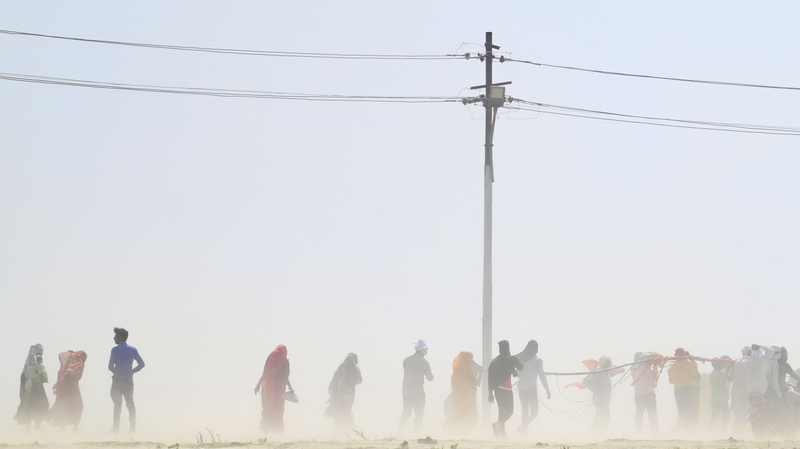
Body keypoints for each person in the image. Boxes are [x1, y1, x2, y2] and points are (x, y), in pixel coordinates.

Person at [108, 327, 145, 433]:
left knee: (117, 405)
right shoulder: (133, 349)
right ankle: (132, 429)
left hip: (117, 380)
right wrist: (131, 371)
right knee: (130, 404)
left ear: (121, 337)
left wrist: (117, 372)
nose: (114, 338)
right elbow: (142, 364)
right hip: (128, 381)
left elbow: (110, 366)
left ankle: (116, 428)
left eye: (116, 336)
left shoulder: (115, 350)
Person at [487, 340, 523, 438]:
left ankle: (502, 435)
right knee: (510, 412)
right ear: (508, 348)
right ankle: (498, 425)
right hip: (507, 389)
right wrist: (513, 361)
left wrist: (490, 392)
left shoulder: (494, 361)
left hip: (498, 390)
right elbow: (521, 367)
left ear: (499, 349)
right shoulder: (511, 359)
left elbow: (489, 377)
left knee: (501, 411)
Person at [514, 340, 550, 435]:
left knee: (525, 410)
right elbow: (542, 375)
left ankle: (523, 430)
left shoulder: (521, 359)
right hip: (531, 389)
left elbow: (519, 375)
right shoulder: (538, 360)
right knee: (534, 412)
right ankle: (522, 428)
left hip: (522, 389)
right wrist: (547, 389)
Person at [254, 344, 293, 434]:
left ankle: (266, 430)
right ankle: (278, 431)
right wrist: (291, 388)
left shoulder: (272, 359)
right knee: (278, 409)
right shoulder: (284, 361)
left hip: (269, 388)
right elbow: (284, 377)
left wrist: (258, 384)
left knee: (269, 407)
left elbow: (266, 373)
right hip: (279, 389)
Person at [398, 340, 434, 433]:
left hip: (406, 392)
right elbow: (430, 377)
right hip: (418, 393)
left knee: (406, 412)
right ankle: (415, 432)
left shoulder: (406, 360)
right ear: (423, 351)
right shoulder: (424, 362)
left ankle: (400, 430)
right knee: (419, 414)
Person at [48, 350, 88, 431]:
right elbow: (71, 376)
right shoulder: (78, 364)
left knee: (63, 406)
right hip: (72, 389)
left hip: (64, 390)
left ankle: (63, 428)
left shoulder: (65, 368)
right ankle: (74, 427)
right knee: (78, 405)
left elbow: (62, 377)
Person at [444, 351, 481, 434]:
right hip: (467, 392)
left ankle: (454, 427)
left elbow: (453, 380)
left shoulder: (456, 367)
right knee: (466, 410)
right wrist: (475, 388)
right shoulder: (468, 367)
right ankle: (460, 429)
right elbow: (472, 380)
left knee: (458, 410)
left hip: (457, 393)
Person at [14, 344, 49, 431]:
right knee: (28, 406)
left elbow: (42, 374)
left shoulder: (39, 364)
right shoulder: (27, 368)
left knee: (44, 405)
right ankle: (28, 427)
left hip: (38, 388)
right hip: (29, 389)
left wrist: (42, 378)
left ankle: (37, 425)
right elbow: (27, 378)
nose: (39, 355)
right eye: (38, 353)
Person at [585, 356, 622, 432]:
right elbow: (588, 382)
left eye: (609, 363)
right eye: (607, 363)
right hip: (599, 399)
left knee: (600, 416)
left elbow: (622, 370)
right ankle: (600, 433)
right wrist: (596, 390)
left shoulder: (607, 372)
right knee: (605, 416)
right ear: (603, 363)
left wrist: (615, 368)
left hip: (605, 399)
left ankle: (595, 433)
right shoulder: (598, 372)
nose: (608, 365)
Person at [668, 348, 700, 433]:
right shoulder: (688, 364)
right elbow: (695, 374)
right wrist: (693, 361)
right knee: (689, 410)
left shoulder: (671, 368)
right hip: (687, 390)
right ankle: (686, 430)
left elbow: (671, 382)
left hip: (677, 391)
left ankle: (681, 430)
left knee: (681, 411)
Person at [327, 353, 362, 430]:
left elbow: (334, 385)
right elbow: (358, 380)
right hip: (343, 398)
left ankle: (343, 434)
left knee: (341, 414)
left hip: (342, 398)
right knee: (343, 414)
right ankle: (344, 434)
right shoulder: (351, 370)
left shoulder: (344, 369)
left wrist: (334, 397)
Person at [631, 351, 659, 434]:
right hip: (648, 394)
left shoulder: (632, 367)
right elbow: (653, 375)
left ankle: (638, 433)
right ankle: (656, 433)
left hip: (638, 395)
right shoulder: (644, 366)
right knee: (652, 414)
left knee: (639, 415)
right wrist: (655, 365)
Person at [708, 356, 732, 434]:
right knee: (726, 417)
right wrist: (730, 369)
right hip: (723, 399)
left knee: (714, 417)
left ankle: (708, 433)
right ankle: (723, 432)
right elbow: (730, 378)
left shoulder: (711, 373)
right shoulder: (721, 374)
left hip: (714, 398)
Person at [729, 347, 750, 435]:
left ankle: (735, 433)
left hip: (735, 392)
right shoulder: (749, 363)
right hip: (745, 392)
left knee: (738, 414)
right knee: (743, 414)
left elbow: (730, 377)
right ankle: (737, 434)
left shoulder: (736, 363)